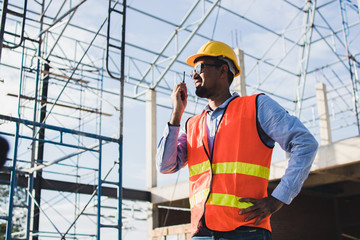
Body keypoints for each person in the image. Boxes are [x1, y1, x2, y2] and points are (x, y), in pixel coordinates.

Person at [156, 40, 318, 239]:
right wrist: (176, 115)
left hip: (246, 232)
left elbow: (305, 143)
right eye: (192, 70)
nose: (194, 75)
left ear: (223, 70)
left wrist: (277, 199)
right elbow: (166, 166)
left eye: (200, 67)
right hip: (203, 233)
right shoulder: (192, 124)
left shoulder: (257, 106)